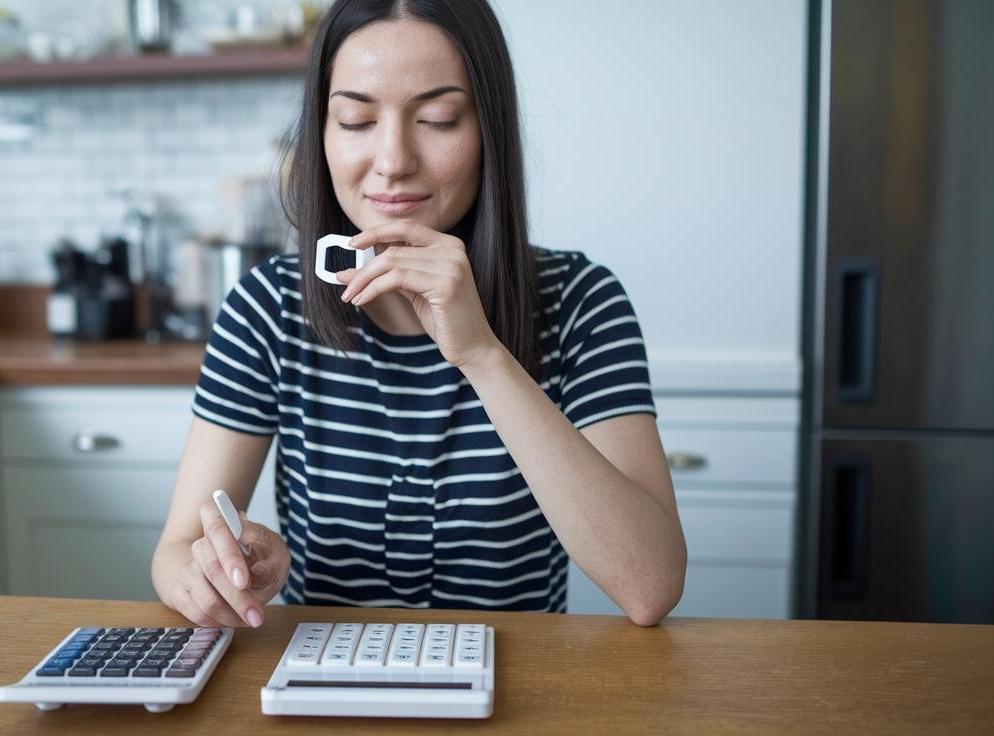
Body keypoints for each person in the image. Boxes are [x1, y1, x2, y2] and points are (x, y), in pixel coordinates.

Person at [151, 0, 686, 628]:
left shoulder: (581, 302)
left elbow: (650, 586)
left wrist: (482, 355)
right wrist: (219, 571)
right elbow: (177, 548)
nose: (393, 160)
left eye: (437, 118)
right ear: (320, 133)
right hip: (320, 696)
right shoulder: (268, 307)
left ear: (489, 129)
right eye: (355, 120)